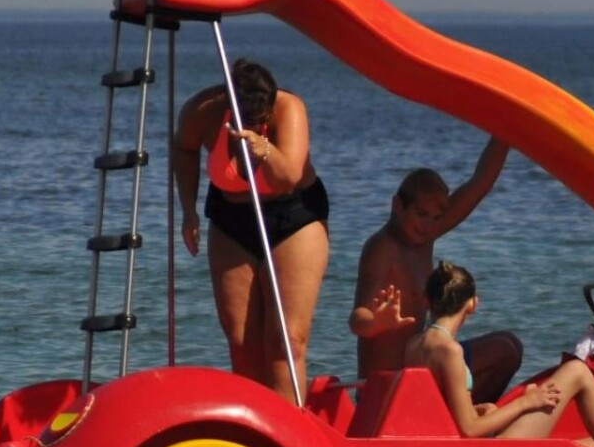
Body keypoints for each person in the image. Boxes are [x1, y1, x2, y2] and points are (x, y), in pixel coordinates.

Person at [173, 58, 329, 400]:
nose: (257, 125)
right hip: (231, 217)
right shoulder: (205, 110)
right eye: (249, 120)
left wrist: (266, 150)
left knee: (285, 339)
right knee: (241, 337)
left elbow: (287, 177)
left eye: (262, 119)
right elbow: (183, 147)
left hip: (293, 215)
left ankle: (290, 420)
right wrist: (188, 211)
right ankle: (256, 419)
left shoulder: (290, 109)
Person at [348, 138, 521, 398]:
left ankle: (465, 417)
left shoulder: (423, 237)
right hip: (385, 390)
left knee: (509, 346)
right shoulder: (382, 248)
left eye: (436, 217)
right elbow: (356, 319)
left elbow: (480, 183)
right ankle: (466, 419)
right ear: (397, 205)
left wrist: (506, 133)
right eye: (421, 214)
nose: (428, 224)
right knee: (504, 350)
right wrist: (375, 323)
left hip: (418, 371)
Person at [408, 261, 594, 447]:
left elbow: (438, 411)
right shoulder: (450, 351)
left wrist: (481, 410)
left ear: (427, 300)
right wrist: (526, 402)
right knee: (578, 371)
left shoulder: (414, 344)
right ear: (473, 304)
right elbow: (469, 429)